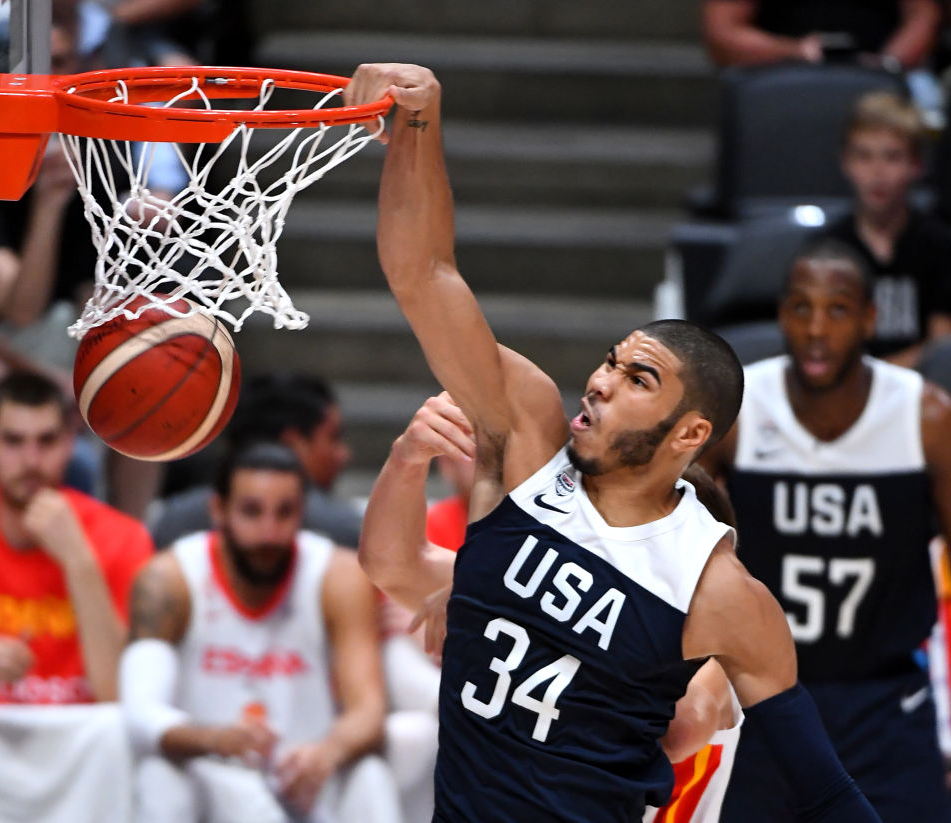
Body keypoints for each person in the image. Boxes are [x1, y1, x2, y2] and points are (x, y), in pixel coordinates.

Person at [347, 62, 879, 821]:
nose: (599, 381)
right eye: (609, 361)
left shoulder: (716, 588)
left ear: (691, 432)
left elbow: (824, 787)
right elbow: (422, 274)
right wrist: (419, 120)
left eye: (638, 378)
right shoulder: (525, 438)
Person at [383, 393, 744, 823]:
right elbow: (395, 564)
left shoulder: (717, 650)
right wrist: (407, 458)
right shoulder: (559, 589)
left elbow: (683, 726)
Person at [698, 235, 951, 822]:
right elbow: (677, 541)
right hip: (762, 693)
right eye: (799, 308)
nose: (816, 329)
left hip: (885, 699)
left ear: (869, 318)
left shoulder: (926, 418)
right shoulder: (741, 407)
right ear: (780, 314)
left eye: (837, 309)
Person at [119, 442, 401, 823]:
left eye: (284, 513)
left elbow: (369, 711)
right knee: (159, 776)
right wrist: (218, 740)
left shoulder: (338, 575)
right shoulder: (170, 579)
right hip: (212, 776)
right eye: (252, 511)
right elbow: (139, 713)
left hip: (306, 776)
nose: (269, 532)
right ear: (218, 510)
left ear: (302, 512)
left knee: (371, 775)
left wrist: (327, 752)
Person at [0, 371, 154, 822]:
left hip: (77, 734)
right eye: (13, 441)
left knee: (117, 731)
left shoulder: (124, 538)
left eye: (47, 441)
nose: (31, 460)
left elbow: (120, 696)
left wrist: (79, 563)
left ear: (71, 445)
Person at [151, 371, 360, 548]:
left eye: (284, 513)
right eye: (334, 437)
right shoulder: (345, 530)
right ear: (291, 444)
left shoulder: (170, 521)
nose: (344, 454)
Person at [818, 90, 951, 366]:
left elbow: (942, 349)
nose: (877, 172)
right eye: (864, 156)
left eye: (891, 157)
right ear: (846, 163)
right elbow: (824, 347)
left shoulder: (940, 244)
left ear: (916, 165)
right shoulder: (825, 251)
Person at [701, 0, 941, 70]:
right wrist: (793, 51)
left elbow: (923, 15)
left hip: (880, 71)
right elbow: (723, 32)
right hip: (779, 72)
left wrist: (888, 66)